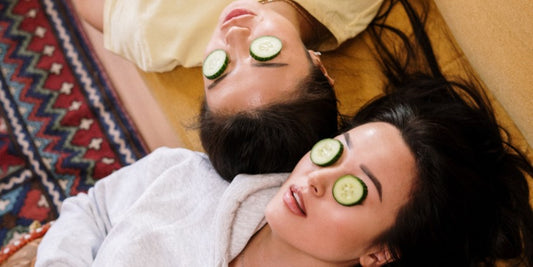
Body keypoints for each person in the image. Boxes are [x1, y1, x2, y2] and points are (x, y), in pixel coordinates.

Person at [36, 1, 533, 266]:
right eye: (334, 152)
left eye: (354, 190)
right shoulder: (189, 175)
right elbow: (93, 208)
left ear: (381, 252)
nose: (317, 178)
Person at [72, 0, 384, 181]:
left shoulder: (153, 33)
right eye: (266, 55)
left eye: (219, 67)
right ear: (319, 67)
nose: (233, 35)